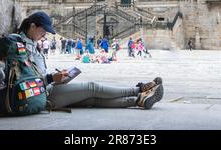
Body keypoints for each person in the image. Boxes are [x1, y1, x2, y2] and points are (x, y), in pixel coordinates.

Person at [17, 11, 164, 110]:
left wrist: (56, 78)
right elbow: (23, 80)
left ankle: (139, 100)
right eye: (43, 31)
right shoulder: (20, 46)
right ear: (32, 26)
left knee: (93, 100)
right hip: (41, 95)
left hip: (46, 89)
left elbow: (35, 73)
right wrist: (50, 78)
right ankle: (139, 89)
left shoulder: (32, 43)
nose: (44, 36)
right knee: (92, 87)